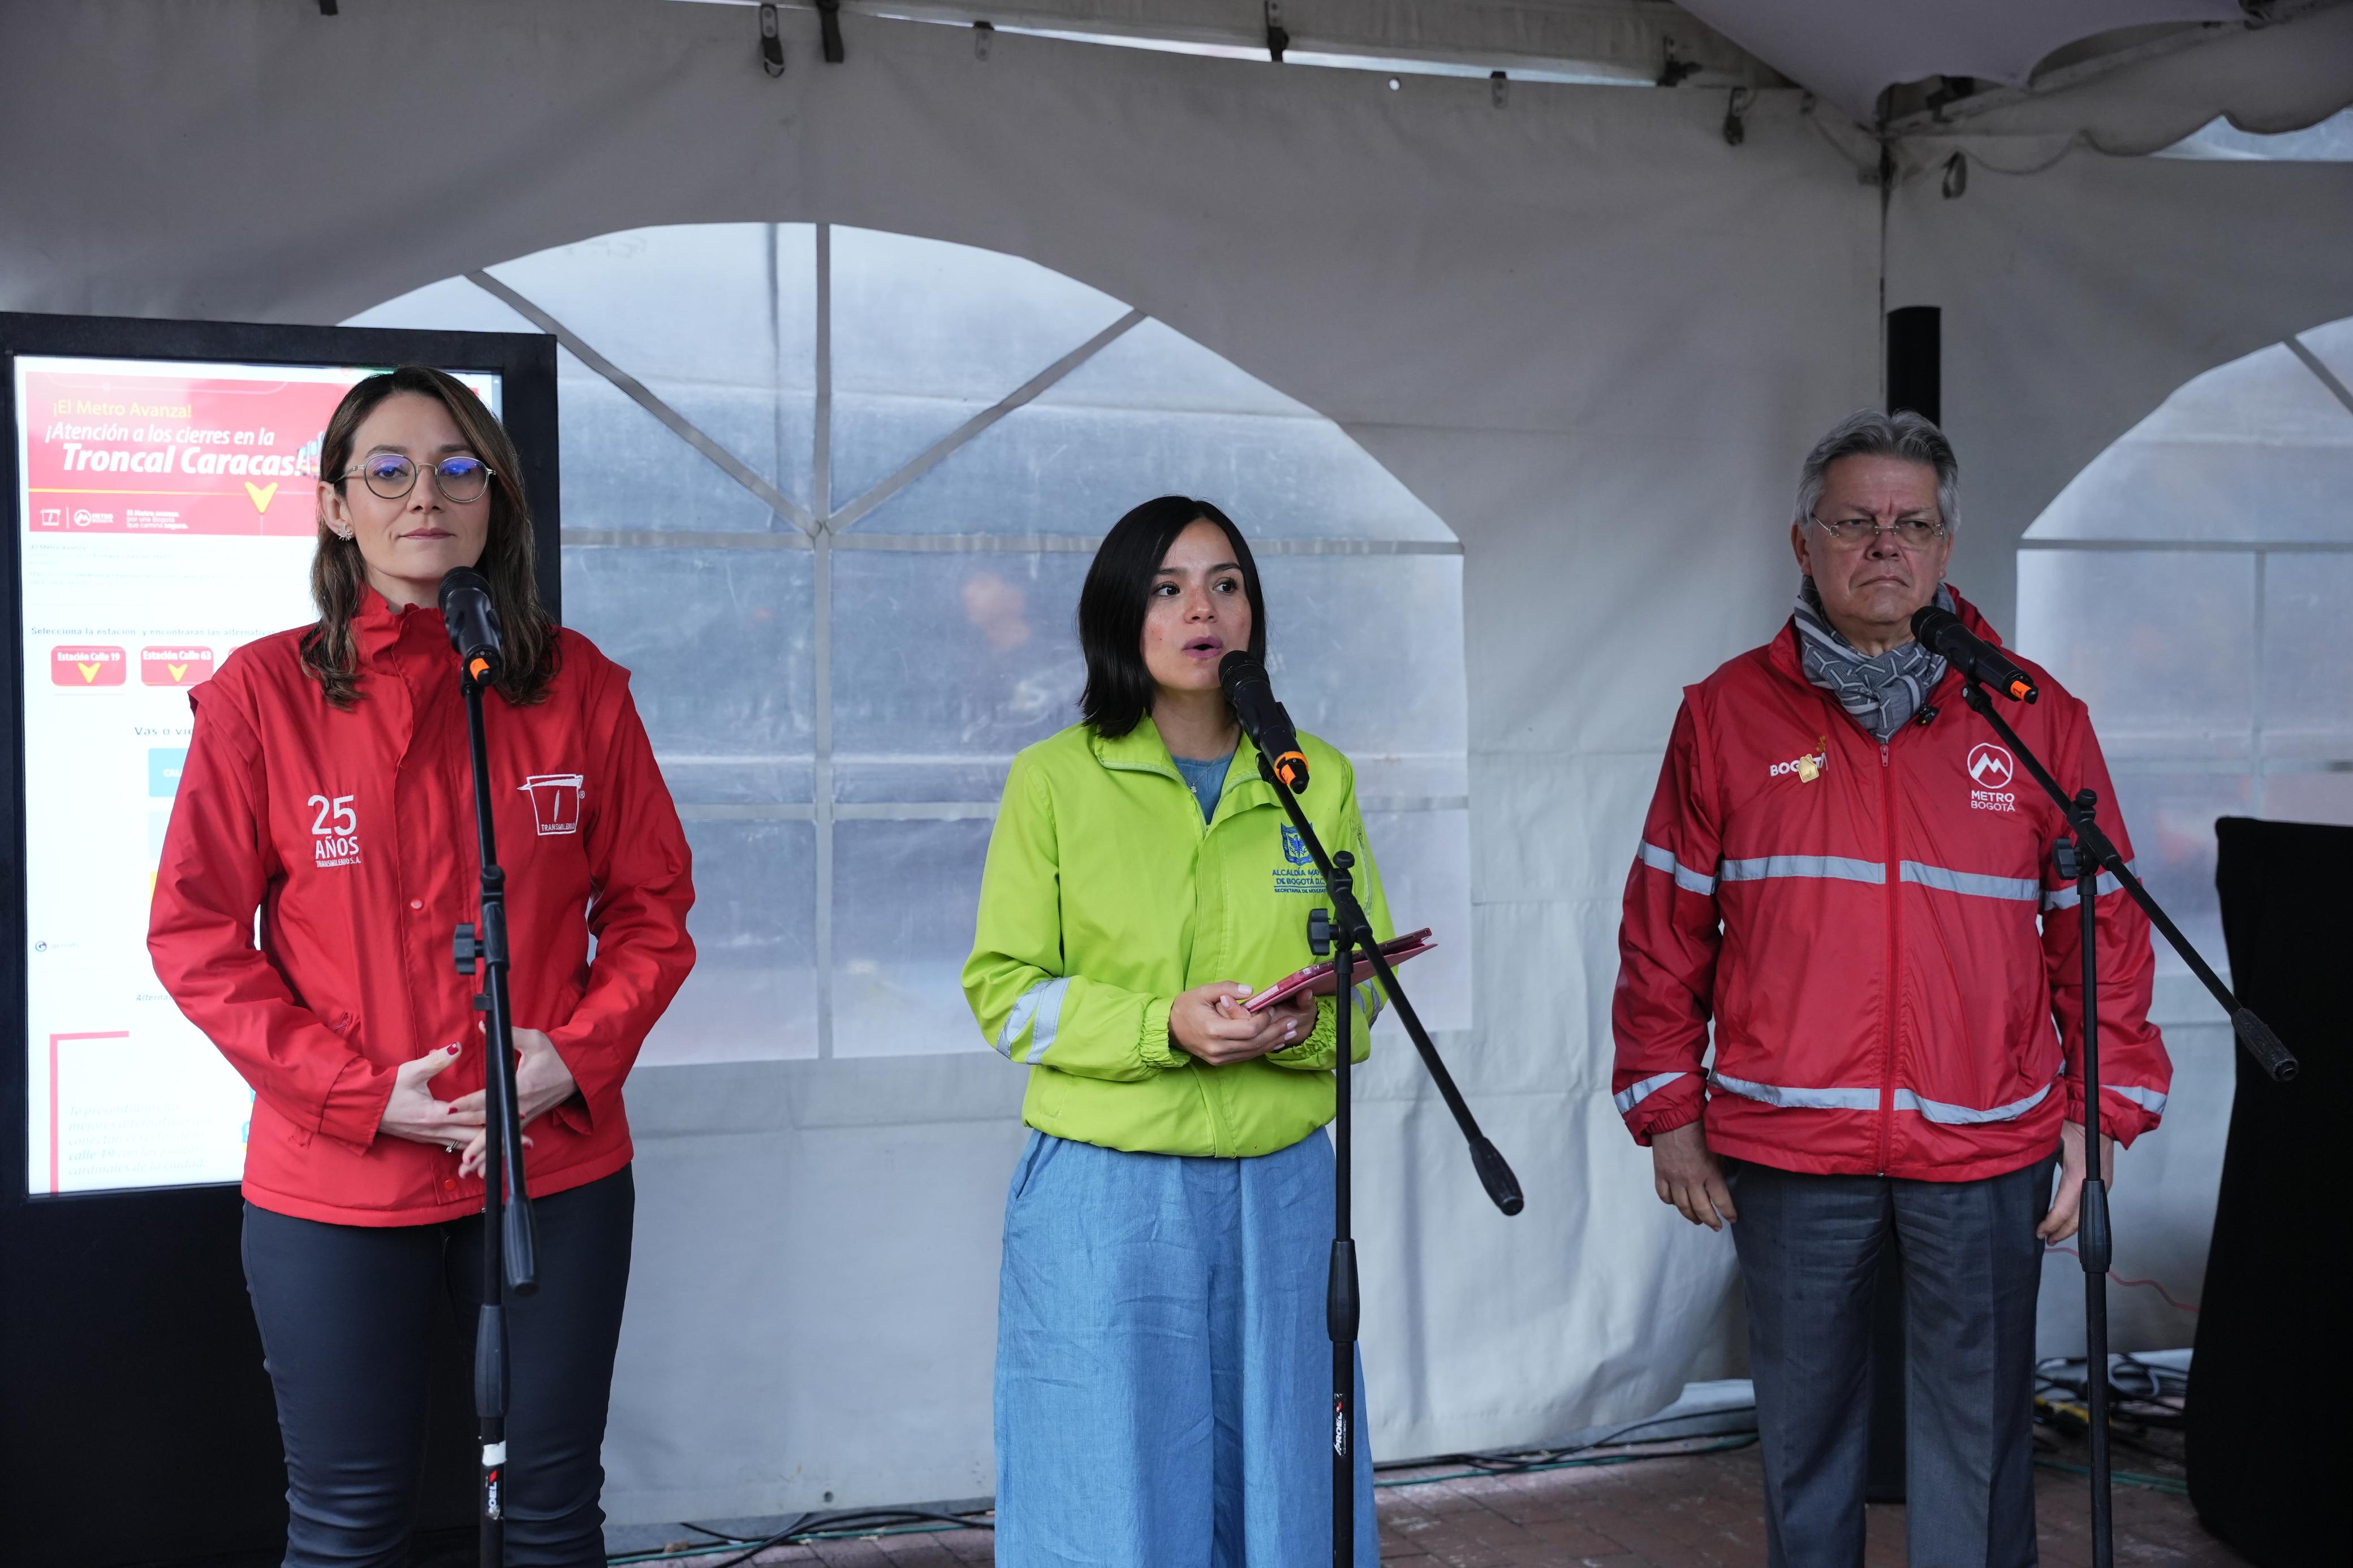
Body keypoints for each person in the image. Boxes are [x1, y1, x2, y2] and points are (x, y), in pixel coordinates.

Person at [148, 366, 696, 1567]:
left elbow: (655, 909)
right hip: (335, 1182)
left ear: (496, 498)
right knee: (345, 1531)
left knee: (553, 1520)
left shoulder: (577, 684)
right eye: (386, 471)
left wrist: (573, 1055)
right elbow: (194, 937)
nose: (424, 496)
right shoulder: (261, 694)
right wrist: (356, 1093)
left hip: (550, 1165)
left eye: (458, 469)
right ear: (336, 507)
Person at [1610, 410, 2171, 1568]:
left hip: (1982, 1144)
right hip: (1788, 1145)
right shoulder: (1723, 713)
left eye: (1910, 524)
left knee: (1976, 1438)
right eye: (1854, 522)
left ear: (1946, 547)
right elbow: (1665, 924)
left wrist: (2095, 1110)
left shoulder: (2032, 718)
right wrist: (1666, 1108)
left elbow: (2100, 933)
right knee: (1804, 1437)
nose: (1883, 546)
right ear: (1800, 542)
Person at [964, 496, 1392, 1567]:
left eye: (1227, 583)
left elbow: (1370, 981)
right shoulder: (1055, 780)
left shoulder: (1314, 778)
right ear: (1124, 617)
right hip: (1108, 1195)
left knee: (1290, 1483)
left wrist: (1300, 1023)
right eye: (1168, 588)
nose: (1203, 609)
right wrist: (1163, 1024)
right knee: (1109, 1494)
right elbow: (1006, 991)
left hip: (1282, 1188)